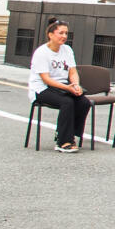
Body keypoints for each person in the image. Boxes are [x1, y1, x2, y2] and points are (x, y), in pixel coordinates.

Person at [29, 18, 89, 152]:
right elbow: (46, 79)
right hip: (42, 89)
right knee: (67, 102)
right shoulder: (41, 52)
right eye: (61, 33)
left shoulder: (67, 50)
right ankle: (63, 141)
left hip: (62, 87)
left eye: (66, 33)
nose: (64, 36)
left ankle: (67, 134)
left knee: (83, 102)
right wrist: (67, 88)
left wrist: (76, 85)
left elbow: (72, 72)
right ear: (50, 35)